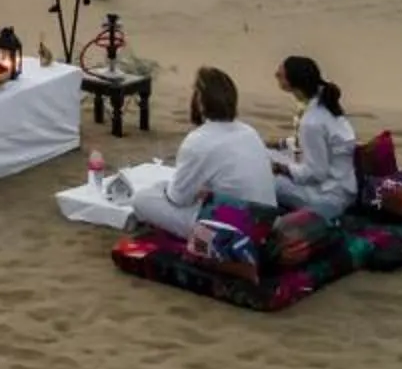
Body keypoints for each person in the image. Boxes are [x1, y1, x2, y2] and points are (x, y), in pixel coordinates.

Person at [125, 67, 278, 241]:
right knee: (168, 188)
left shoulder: (198, 140)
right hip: (265, 221)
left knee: (142, 199)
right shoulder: (249, 131)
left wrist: (167, 189)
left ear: (200, 101)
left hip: (234, 227)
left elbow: (178, 199)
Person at [270, 54, 358, 220]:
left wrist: (281, 169)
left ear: (292, 82)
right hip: (343, 185)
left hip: (328, 197)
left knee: (267, 180)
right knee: (266, 152)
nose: (275, 75)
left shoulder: (312, 122)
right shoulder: (324, 105)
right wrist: (281, 144)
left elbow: (316, 173)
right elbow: (322, 145)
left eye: (280, 74)